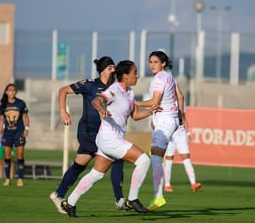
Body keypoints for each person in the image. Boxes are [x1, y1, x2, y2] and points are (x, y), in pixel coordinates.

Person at [61, 60, 160, 217]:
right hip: (109, 139)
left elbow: (135, 115)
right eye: (135, 72)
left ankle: (69, 203)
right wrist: (101, 107)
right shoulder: (114, 89)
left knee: (97, 174)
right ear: (125, 76)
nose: (138, 75)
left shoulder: (130, 93)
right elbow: (97, 100)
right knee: (144, 160)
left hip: (110, 139)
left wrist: (151, 111)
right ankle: (132, 199)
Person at [49, 56, 127, 214]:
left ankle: (58, 195)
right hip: (88, 131)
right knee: (117, 156)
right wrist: (63, 112)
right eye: (111, 67)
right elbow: (63, 90)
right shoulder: (90, 84)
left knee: (79, 165)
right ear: (103, 70)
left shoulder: (116, 87)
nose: (114, 70)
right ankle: (119, 199)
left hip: (104, 132)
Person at [135, 50, 180, 211]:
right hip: (170, 120)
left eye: (155, 62)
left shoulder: (160, 78)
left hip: (165, 122)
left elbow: (154, 101)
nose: (152, 65)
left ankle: (158, 196)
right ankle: (158, 195)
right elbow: (179, 96)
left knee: (154, 158)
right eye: (150, 62)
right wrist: (179, 118)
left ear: (163, 63)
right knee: (156, 156)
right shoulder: (170, 77)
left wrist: (133, 103)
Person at [163, 84, 201, 192]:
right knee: (169, 158)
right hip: (170, 132)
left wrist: (188, 132)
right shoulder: (165, 103)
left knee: (186, 157)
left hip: (180, 132)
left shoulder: (180, 103)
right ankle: (167, 184)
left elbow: (183, 117)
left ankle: (193, 183)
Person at [0, 83, 29, 187]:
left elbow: (26, 117)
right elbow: (1, 120)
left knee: (20, 155)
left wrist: (26, 129)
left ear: (16, 92)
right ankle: (7, 179)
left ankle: (20, 178)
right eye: (9, 90)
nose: (12, 92)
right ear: (6, 92)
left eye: (13, 90)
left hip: (19, 133)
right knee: (7, 156)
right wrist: (0, 133)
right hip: (8, 134)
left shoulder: (21, 103)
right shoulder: (3, 104)